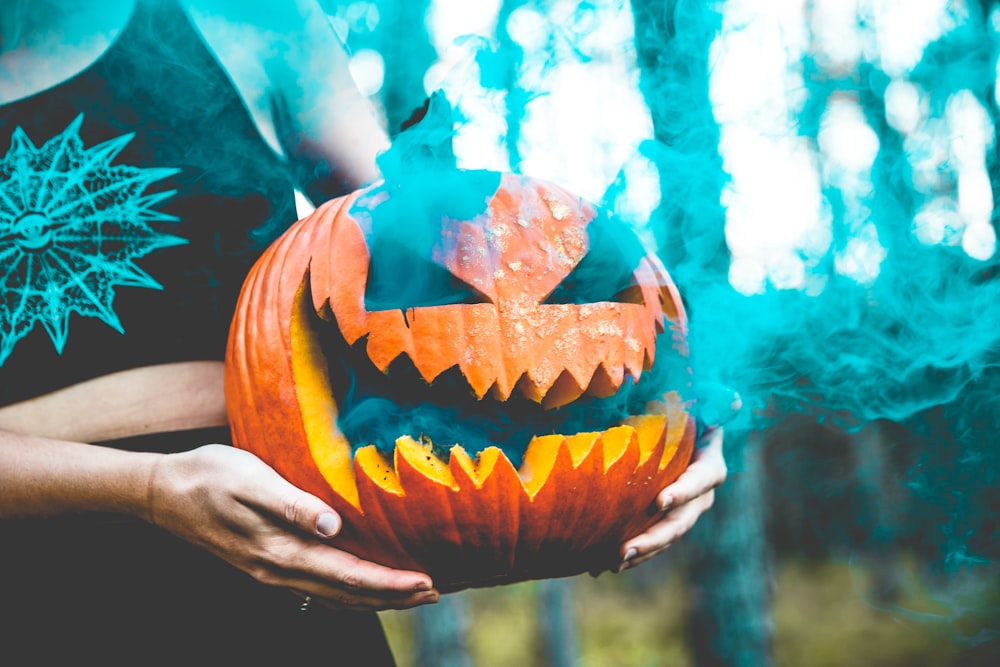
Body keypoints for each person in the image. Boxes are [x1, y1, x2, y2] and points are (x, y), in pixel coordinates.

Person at [0, 0, 727, 664]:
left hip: (275, 546)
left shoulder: (248, 21)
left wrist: (684, 398)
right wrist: (151, 486)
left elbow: (436, 261)